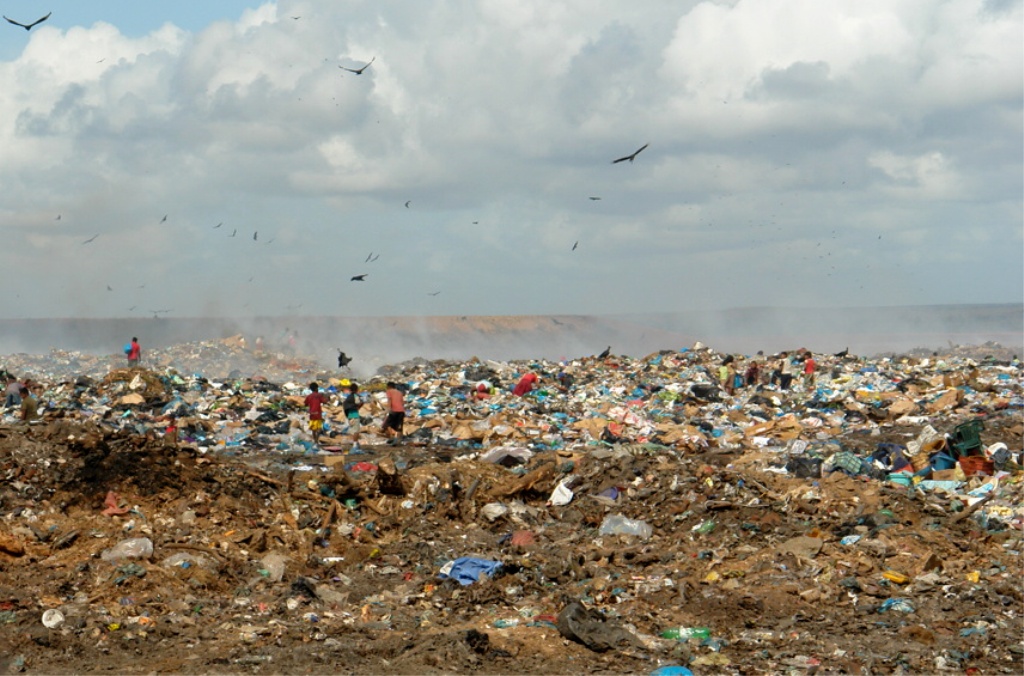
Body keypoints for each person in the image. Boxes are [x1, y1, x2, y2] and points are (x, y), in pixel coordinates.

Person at [342, 381, 362, 451]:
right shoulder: (355, 396)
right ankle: (355, 444)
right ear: (356, 389)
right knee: (356, 431)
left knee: (353, 430)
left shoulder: (348, 397)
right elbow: (358, 403)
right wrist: (360, 405)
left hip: (350, 415)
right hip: (355, 415)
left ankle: (355, 443)